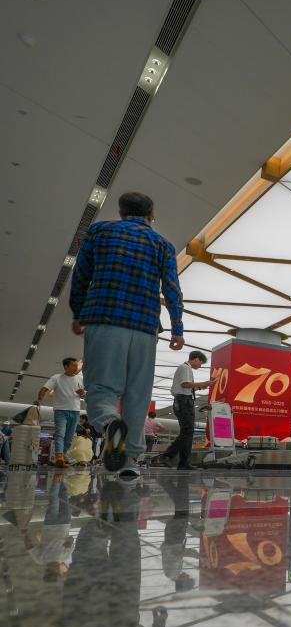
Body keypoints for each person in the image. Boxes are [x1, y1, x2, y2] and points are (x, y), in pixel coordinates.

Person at [69, 191, 185, 479]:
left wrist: (78, 312)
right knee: (138, 393)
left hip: (105, 317)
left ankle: (110, 424)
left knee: (102, 387)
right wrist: (177, 327)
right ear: (151, 214)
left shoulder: (99, 231)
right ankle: (130, 460)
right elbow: (172, 288)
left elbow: (81, 274)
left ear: (121, 211)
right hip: (145, 326)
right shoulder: (162, 244)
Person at [160, 351, 212, 470]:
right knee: (187, 431)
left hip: (184, 401)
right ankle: (167, 455)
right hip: (183, 401)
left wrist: (200, 387)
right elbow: (185, 384)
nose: (200, 365)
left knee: (188, 432)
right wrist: (204, 383)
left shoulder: (186, 368)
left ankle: (184, 462)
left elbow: (186, 387)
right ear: (196, 359)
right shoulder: (185, 368)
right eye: (201, 363)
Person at [35, 357, 85, 469]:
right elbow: (44, 389)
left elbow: (84, 395)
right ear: (66, 367)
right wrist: (39, 400)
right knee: (60, 434)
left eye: (76, 365)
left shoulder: (80, 379)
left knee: (69, 437)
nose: (76, 367)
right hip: (60, 411)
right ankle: (59, 458)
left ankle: (61, 457)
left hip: (75, 411)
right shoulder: (56, 378)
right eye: (73, 365)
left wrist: (82, 393)